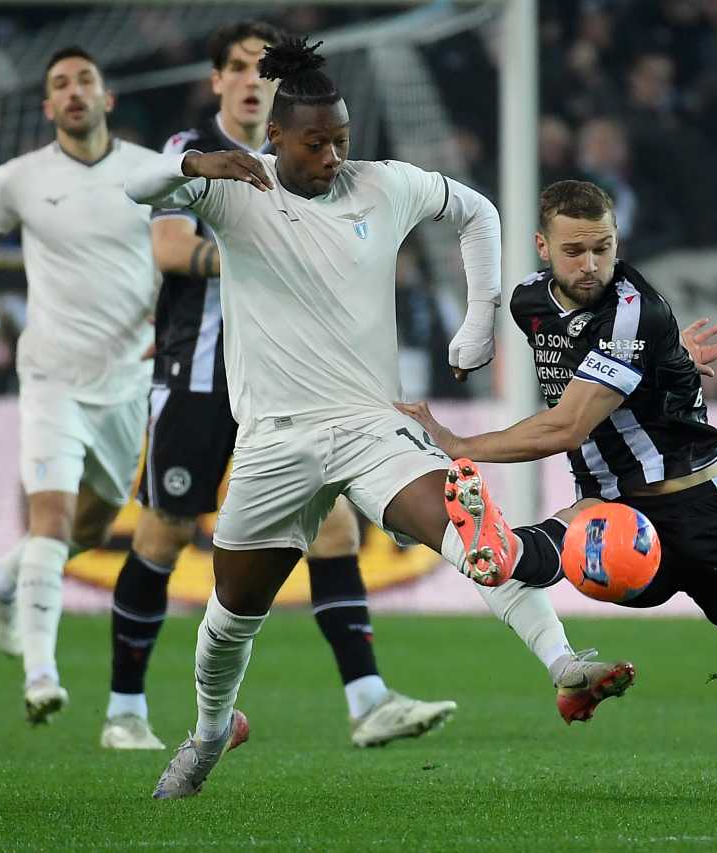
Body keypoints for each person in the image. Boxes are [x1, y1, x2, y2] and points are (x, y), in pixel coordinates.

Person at [125, 38, 635, 800]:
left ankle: (565, 664)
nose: (332, 156)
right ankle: (209, 732)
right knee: (231, 617)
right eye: (315, 143)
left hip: (371, 425)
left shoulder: (382, 185)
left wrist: (480, 318)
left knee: (474, 534)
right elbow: (131, 187)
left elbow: (477, 211)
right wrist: (195, 164)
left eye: (341, 139)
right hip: (275, 439)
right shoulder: (234, 187)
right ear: (276, 136)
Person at [399, 180, 717, 799]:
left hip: (704, 511)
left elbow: (567, 426)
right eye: (574, 251)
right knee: (562, 540)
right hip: (616, 513)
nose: (590, 264)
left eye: (603, 248)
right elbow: (598, 367)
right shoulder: (529, 302)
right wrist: (665, 358)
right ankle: (504, 551)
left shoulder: (634, 311)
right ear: (542, 247)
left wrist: (460, 444)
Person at [103, 21, 455, 752]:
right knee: (165, 529)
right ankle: (124, 708)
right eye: (237, 68)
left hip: (300, 381)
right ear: (217, 81)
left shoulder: (314, 167)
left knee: (334, 526)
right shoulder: (191, 150)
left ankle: (368, 699)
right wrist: (259, 252)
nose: (250, 82)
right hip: (203, 371)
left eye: (262, 71)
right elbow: (168, 247)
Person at [0, 46, 162, 724]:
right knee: (50, 519)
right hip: (50, 375)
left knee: (92, 526)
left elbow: (189, 245)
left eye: (85, 81)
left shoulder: (151, 171)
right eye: (61, 85)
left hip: (127, 380)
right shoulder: (17, 179)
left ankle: (1, 578)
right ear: (48, 106)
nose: (73, 92)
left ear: (107, 98)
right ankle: (41, 675)